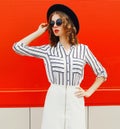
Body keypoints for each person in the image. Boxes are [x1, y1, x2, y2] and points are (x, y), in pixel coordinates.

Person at [13, 4, 107, 129]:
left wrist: (89, 92)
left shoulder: (83, 50)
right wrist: (38, 32)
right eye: (52, 23)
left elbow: (102, 73)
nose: (55, 26)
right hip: (54, 97)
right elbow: (17, 48)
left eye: (58, 22)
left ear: (68, 24)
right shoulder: (49, 50)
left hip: (75, 99)